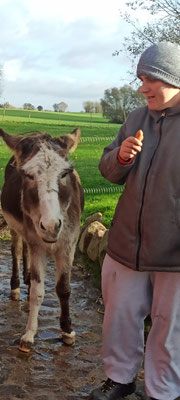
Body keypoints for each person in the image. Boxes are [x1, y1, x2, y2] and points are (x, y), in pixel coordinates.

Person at [88, 41, 180, 400]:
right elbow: (108, 168)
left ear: (173, 78)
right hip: (126, 245)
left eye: (150, 79)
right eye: (141, 78)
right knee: (119, 319)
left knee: (169, 329)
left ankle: (163, 391)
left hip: (173, 255)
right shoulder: (135, 118)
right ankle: (119, 379)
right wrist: (121, 157)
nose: (143, 87)